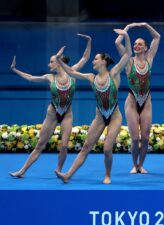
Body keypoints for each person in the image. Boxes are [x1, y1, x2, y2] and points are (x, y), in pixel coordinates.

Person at [9, 34, 92, 178]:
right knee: (40, 144)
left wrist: (89, 42)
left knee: (65, 145)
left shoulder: (72, 73)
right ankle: (22, 171)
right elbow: (30, 78)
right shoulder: (49, 77)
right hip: (52, 114)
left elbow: (85, 58)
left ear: (59, 62)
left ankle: (59, 170)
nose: (49, 64)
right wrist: (15, 69)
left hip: (67, 114)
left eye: (52, 61)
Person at [55, 29, 131, 184]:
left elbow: (128, 53)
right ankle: (68, 175)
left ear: (103, 61)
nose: (93, 61)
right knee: (86, 147)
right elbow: (71, 71)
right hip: (99, 116)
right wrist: (59, 59)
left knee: (107, 148)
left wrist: (126, 36)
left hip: (115, 116)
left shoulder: (114, 74)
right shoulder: (91, 77)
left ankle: (107, 175)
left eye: (95, 59)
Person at [115, 23, 160, 174]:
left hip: (146, 102)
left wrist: (146, 25)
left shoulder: (149, 59)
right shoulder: (128, 60)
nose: (136, 46)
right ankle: (135, 165)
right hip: (132, 102)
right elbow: (117, 43)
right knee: (135, 138)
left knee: (146, 137)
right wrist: (126, 29)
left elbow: (157, 37)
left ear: (146, 47)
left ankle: (141, 164)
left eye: (140, 44)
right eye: (135, 44)